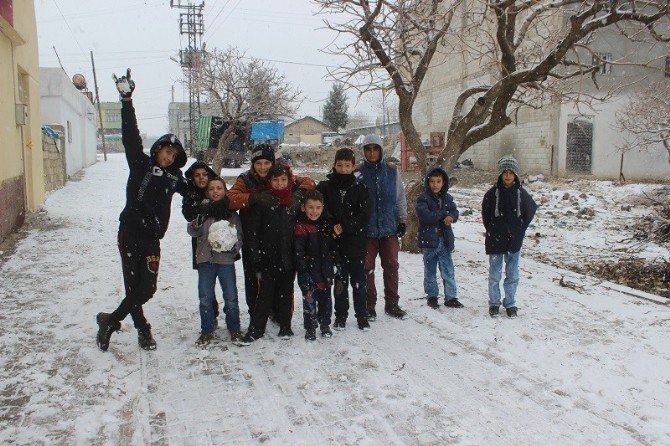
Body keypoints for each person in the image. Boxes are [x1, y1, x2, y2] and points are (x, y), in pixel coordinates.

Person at [96, 69, 187, 352]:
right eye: (165, 151)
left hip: (152, 239)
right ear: (157, 150)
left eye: (173, 154)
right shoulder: (140, 164)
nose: (168, 156)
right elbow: (131, 136)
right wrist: (126, 102)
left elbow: (198, 190)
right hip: (130, 233)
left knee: (147, 288)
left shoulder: (175, 179)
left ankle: (110, 319)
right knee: (132, 284)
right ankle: (143, 330)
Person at [227, 145, 315, 317]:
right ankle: (257, 314)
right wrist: (253, 198)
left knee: (281, 278)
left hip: (278, 236)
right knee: (254, 277)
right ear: (253, 164)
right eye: (258, 163)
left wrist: (298, 195)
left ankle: (279, 313)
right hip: (253, 236)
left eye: (266, 162)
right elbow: (230, 199)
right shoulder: (246, 179)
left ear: (272, 162)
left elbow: (309, 182)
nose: (262, 167)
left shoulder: (282, 175)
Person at [236, 163, 302, 345]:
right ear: (269, 182)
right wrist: (256, 258)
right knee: (264, 296)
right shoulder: (263, 201)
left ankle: (285, 326)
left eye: (283, 180)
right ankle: (256, 329)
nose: (280, 183)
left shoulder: (294, 202)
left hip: (288, 258)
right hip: (268, 258)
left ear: (289, 180)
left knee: (286, 294)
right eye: (275, 180)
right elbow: (253, 233)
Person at [316, 148, 371, 331]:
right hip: (335, 244)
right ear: (334, 165)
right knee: (340, 283)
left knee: (359, 283)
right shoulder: (325, 187)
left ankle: (362, 315)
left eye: (347, 165)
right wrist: (332, 225)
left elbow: (364, 214)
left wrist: (346, 226)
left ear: (353, 166)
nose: (344, 169)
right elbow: (319, 209)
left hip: (356, 244)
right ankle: (340, 315)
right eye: (340, 165)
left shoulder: (360, 188)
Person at [187, 177, 243, 345]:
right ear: (207, 192)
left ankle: (234, 328)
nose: (215, 191)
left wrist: (232, 248)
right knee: (205, 296)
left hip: (225, 261)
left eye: (219, 188)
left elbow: (239, 236)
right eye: (212, 189)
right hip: (206, 261)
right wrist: (196, 224)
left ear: (225, 191)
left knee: (231, 296)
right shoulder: (202, 210)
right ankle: (207, 330)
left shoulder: (231, 213)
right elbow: (192, 231)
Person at [358, 134, 408, 320]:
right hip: (367, 230)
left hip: (389, 227)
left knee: (391, 265)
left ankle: (392, 303)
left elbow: (400, 198)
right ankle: (369, 304)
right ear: (364, 152)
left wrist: (402, 220)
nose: (372, 153)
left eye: (375, 149)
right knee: (367, 267)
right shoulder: (359, 173)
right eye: (368, 149)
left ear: (381, 150)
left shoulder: (392, 172)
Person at [481, 155, 537, 318]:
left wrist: (519, 229)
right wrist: (493, 229)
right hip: (495, 240)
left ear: (516, 175)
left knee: (512, 274)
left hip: (514, 241)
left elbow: (530, 211)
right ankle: (494, 303)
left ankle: (510, 302)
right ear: (500, 174)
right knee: (495, 274)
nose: (507, 176)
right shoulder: (492, 194)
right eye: (504, 172)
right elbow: (486, 215)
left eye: (511, 172)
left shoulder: (521, 194)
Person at [182, 161, 225, 323]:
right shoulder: (191, 195)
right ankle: (211, 314)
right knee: (207, 282)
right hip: (201, 245)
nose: (202, 178)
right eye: (197, 175)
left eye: (205, 174)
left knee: (225, 280)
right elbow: (188, 215)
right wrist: (203, 209)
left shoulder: (216, 189)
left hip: (222, 243)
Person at [294, 189, 337, 341]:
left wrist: (334, 259)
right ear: (303, 207)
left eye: (318, 207)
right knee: (309, 302)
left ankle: (325, 324)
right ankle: (310, 328)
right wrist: (303, 270)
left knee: (326, 300)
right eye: (311, 207)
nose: (314, 211)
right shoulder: (300, 227)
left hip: (325, 270)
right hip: (308, 272)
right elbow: (298, 252)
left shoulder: (325, 225)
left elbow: (332, 247)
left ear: (322, 208)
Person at [416, 166, 462, 309]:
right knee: (430, 271)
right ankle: (432, 296)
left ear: (443, 183)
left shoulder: (447, 198)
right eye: (432, 181)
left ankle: (451, 297)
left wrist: (451, 216)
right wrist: (442, 214)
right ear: (428, 183)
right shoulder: (423, 198)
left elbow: (454, 211)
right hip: (429, 241)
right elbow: (426, 216)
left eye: (438, 181)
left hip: (445, 240)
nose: (435, 185)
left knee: (448, 270)